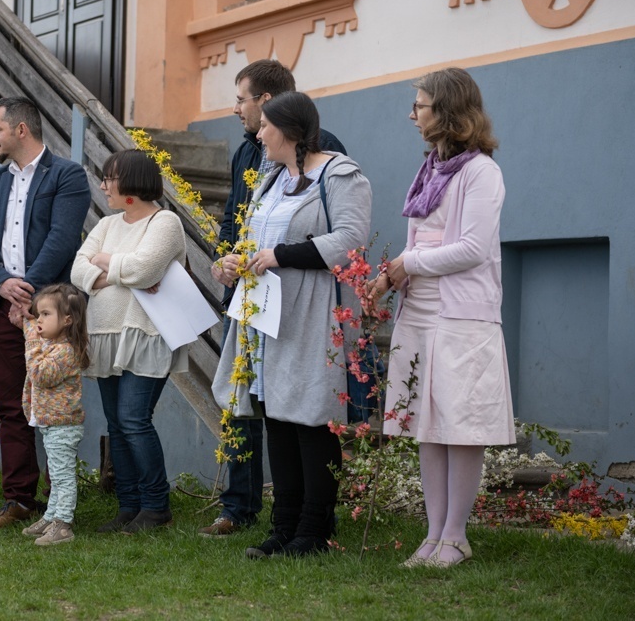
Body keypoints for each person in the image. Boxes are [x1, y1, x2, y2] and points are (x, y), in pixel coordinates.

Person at [211, 91, 371, 559]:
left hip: (315, 312)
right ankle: (284, 527)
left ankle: (313, 530)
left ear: (290, 130)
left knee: (312, 416)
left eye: (265, 126)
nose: (259, 134)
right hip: (268, 314)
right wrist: (235, 261)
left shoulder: (340, 174)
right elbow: (256, 239)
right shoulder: (272, 180)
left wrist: (279, 256)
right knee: (277, 414)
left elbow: (350, 241)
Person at [367, 67, 513, 568]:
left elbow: (472, 248)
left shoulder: (481, 172)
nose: (412, 115)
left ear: (447, 111)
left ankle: (455, 537)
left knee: (460, 425)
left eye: (420, 106)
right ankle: (432, 535)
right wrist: (391, 277)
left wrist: (408, 264)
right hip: (421, 311)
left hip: (462, 316)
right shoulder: (431, 169)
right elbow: (421, 244)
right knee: (427, 425)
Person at [0, 96, 90, 530]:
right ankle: (19, 499)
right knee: (10, 405)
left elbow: (62, 238)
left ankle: (60, 503)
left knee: (55, 405)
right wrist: (3, 284)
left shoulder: (67, 175)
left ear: (21, 129)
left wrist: (29, 295)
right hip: (1, 305)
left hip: (52, 310)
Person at [72, 149, 188, 534]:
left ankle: (156, 507)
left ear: (132, 184)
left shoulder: (164, 221)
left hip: (145, 335)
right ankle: (129, 506)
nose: (104, 185)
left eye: (110, 178)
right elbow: (78, 269)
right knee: (117, 424)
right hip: (105, 336)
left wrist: (107, 262)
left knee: (134, 419)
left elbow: (145, 268)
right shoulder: (107, 223)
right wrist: (121, 272)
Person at [18, 284, 90, 546]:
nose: (39, 320)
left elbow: (40, 375)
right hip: (51, 424)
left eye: (46, 314)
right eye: (38, 314)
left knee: (62, 476)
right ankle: (51, 516)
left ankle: (63, 524)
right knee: (57, 476)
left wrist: (31, 341)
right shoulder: (50, 346)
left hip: (63, 426)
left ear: (67, 320)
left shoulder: (64, 350)